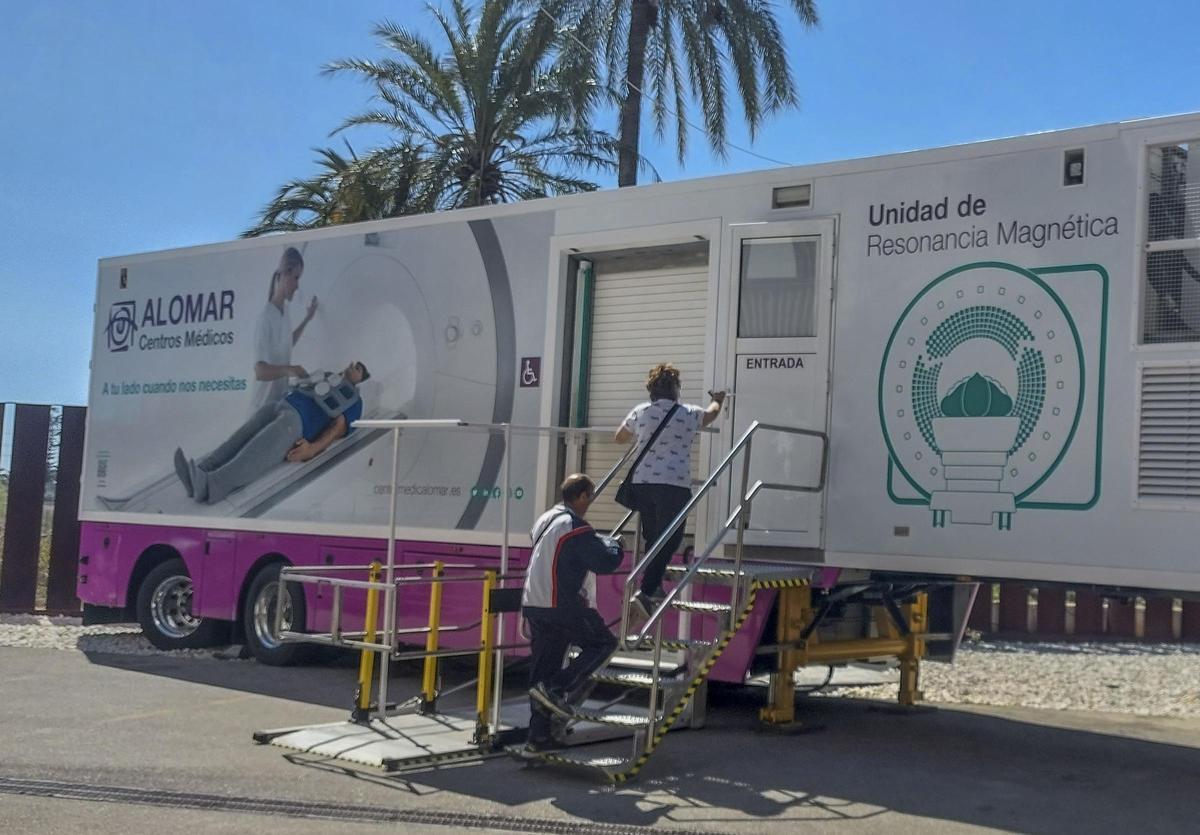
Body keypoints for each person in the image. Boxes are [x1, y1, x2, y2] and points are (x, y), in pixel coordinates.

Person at [521, 474, 624, 753]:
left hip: (535, 603)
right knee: (603, 643)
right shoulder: (575, 526)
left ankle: (538, 737)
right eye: (590, 496)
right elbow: (604, 561)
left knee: (542, 669)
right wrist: (616, 545)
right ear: (582, 496)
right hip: (561, 604)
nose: (590, 502)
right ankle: (557, 687)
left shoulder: (546, 519)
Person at [615, 363, 725, 619]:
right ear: (676, 389)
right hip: (673, 485)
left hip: (642, 484)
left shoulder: (641, 412)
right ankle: (646, 590)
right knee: (671, 539)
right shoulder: (687, 413)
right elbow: (710, 415)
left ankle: (652, 588)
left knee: (654, 537)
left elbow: (620, 437)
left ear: (651, 391)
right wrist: (718, 400)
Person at [173, 361, 369, 504]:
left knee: (253, 454)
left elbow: (338, 428)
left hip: (296, 422)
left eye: (358, 367)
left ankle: (210, 485)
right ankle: (199, 473)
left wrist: (313, 449)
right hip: (278, 405)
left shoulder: (355, 401)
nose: (352, 365)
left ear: (361, 379)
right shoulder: (326, 375)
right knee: (236, 440)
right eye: (353, 363)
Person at [250, 247, 319, 412]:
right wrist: (290, 370)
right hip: (260, 410)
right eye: (295, 278)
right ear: (284, 275)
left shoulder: (285, 311)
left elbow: (287, 343)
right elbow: (260, 371)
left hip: (276, 405)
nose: (297, 285)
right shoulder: (266, 317)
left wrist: (307, 319)